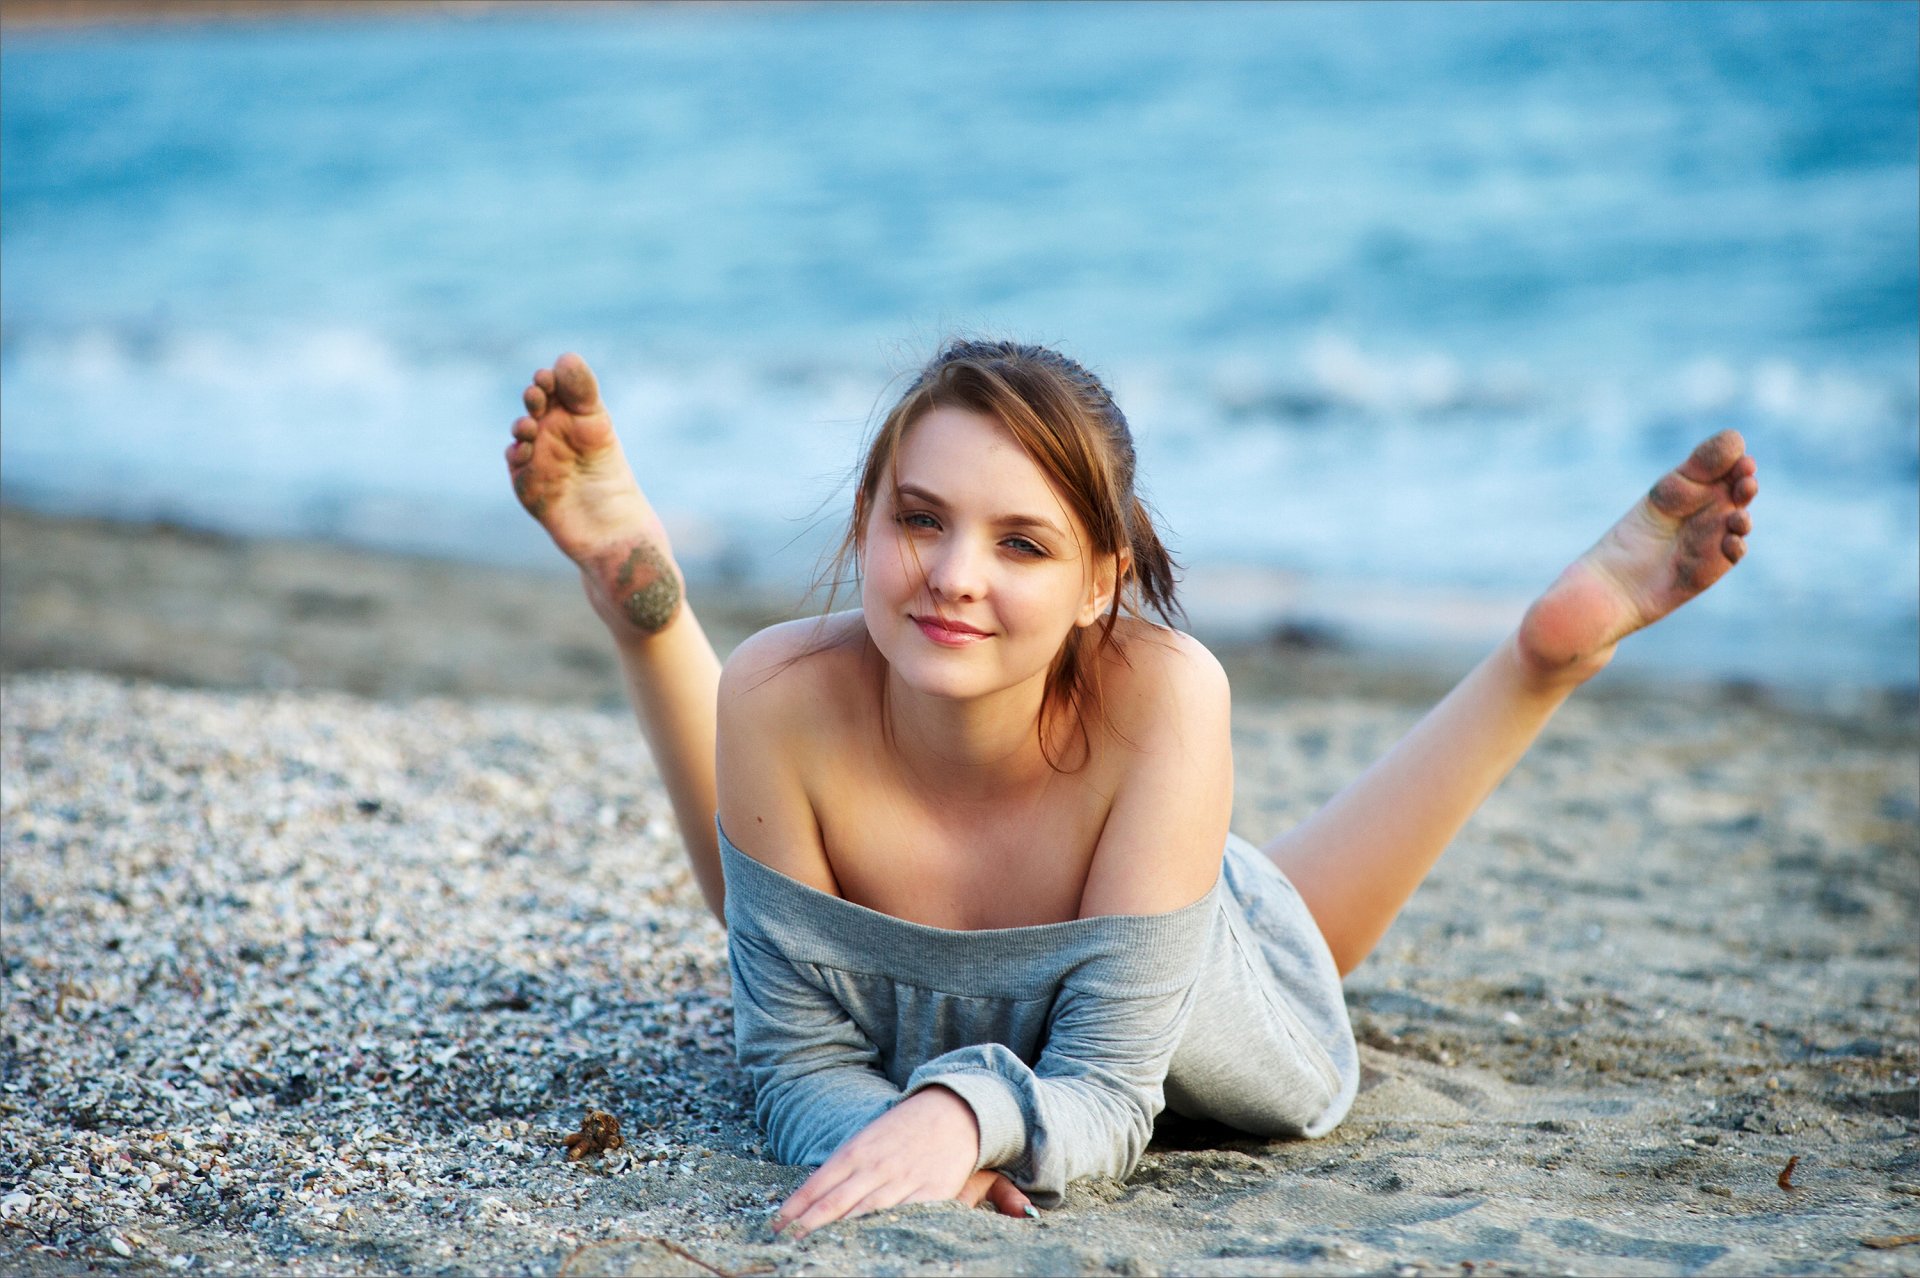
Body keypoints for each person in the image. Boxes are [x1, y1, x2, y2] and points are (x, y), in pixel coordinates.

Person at [503, 341, 1758, 1235]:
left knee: (1283, 940)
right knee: (780, 922)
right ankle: (646, 609)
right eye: (918, 519)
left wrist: (958, 1115)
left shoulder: (1167, 693)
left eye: (1021, 543)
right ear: (865, 521)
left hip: (1181, 980)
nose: (951, 573)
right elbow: (790, 1058)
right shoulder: (776, 688)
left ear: (1102, 579)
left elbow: (1109, 1094)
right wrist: (893, 1150)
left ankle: (1540, 660)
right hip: (919, 968)